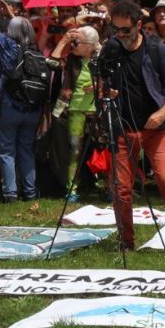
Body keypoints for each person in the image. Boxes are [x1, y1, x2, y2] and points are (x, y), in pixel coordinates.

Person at [98, 1, 165, 254]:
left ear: (139, 25)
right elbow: (101, 84)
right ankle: (127, 241)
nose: (120, 35)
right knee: (121, 187)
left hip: (154, 127)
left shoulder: (156, 49)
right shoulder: (111, 48)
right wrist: (105, 93)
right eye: (116, 29)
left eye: (125, 30)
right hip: (123, 127)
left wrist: (162, 112)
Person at [0, 16, 45, 200]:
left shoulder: (10, 47)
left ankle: (10, 193)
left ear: (10, 32)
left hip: (8, 106)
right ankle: (30, 191)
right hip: (32, 107)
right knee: (26, 149)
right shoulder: (36, 51)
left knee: (6, 150)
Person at [50, 25, 101, 200]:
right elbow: (51, 63)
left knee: (104, 149)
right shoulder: (72, 58)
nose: (74, 45)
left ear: (91, 45)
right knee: (74, 150)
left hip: (98, 110)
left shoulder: (101, 59)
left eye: (77, 42)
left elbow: (113, 81)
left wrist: (97, 86)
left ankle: (109, 187)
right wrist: (64, 41)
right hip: (75, 110)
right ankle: (72, 189)